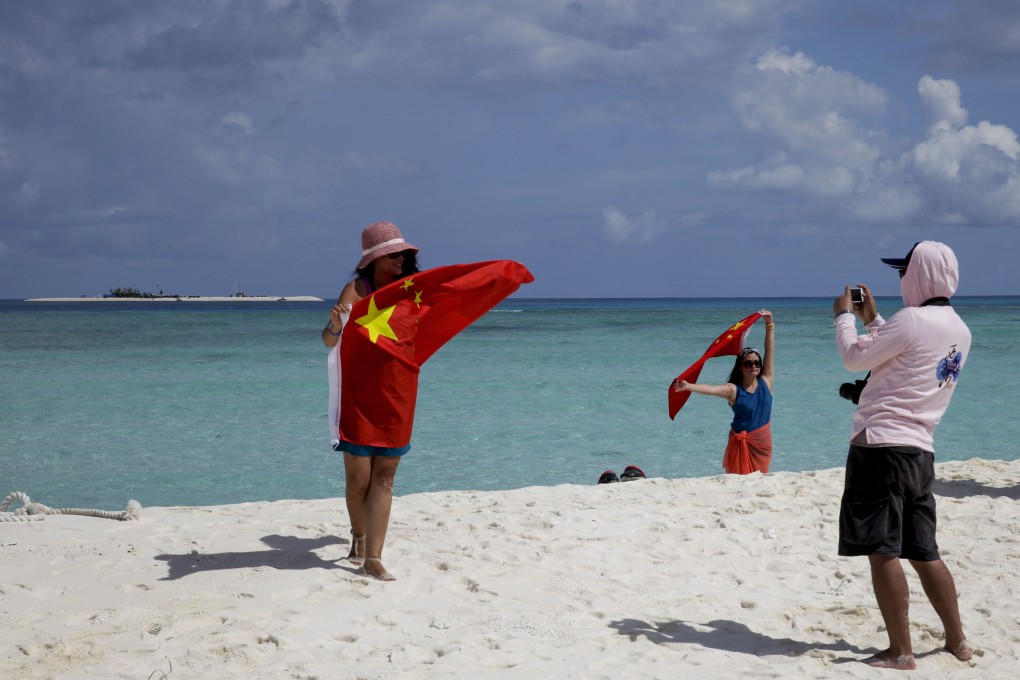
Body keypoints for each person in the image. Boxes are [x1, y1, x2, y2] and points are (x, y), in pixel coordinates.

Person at [832, 241, 973, 669]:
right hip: (920, 451)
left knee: (883, 550)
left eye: (903, 272)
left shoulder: (910, 320)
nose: (900, 279)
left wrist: (843, 316)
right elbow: (903, 358)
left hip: (880, 447)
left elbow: (854, 358)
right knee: (924, 550)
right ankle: (957, 641)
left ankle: (900, 650)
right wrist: (873, 319)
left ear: (919, 275)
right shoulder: (960, 330)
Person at [322, 221, 420, 582]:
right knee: (358, 479)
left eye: (404, 254)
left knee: (385, 477)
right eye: (393, 254)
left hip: (398, 391)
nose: (400, 259)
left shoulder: (412, 291)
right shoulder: (357, 289)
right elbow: (329, 341)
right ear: (374, 259)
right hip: (360, 395)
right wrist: (335, 325)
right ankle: (359, 536)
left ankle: (374, 558)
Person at [672, 310, 775, 474]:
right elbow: (711, 389)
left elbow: (769, 351)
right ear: (741, 367)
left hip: (762, 442)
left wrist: (769, 325)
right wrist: (689, 386)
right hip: (741, 441)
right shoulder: (733, 390)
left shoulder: (766, 381)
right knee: (739, 482)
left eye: (757, 362)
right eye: (748, 363)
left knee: (762, 477)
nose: (754, 366)